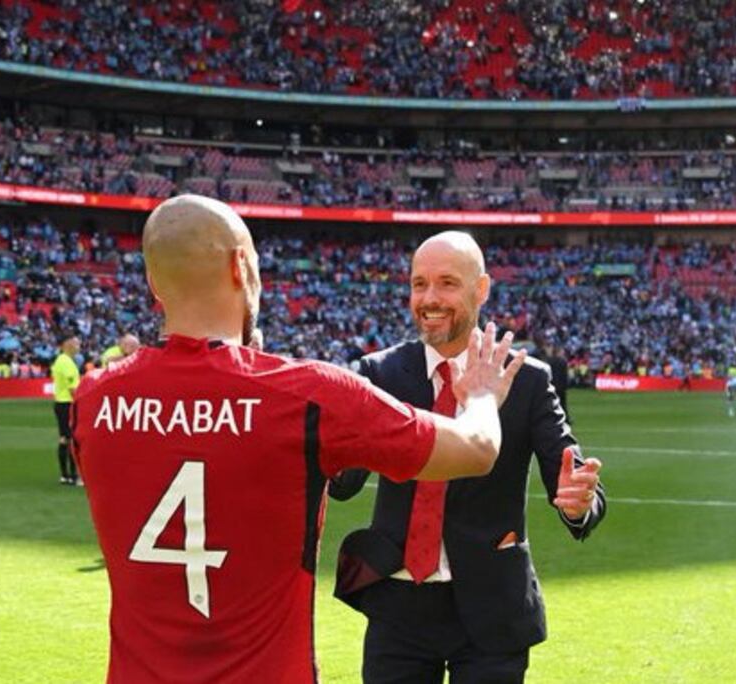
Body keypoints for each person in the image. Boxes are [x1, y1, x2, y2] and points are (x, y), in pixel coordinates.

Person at [69, 195, 527, 683]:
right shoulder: (310, 396)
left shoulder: (93, 398)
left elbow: (190, 433)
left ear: (152, 281)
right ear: (241, 266)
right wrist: (479, 395)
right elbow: (476, 449)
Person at [328, 231, 606, 684]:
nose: (429, 298)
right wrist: (331, 449)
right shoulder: (378, 373)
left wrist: (580, 502)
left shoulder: (526, 378)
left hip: (492, 606)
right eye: (419, 284)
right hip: (398, 608)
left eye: (446, 284)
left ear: (481, 290)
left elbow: (571, 480)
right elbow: (345, 483)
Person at [51, 333, 82, 486]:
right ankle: (72, 476)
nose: (79, 346)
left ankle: (66, 475)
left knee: (65, 438)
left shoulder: (62, 361)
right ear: (68, 344)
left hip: (61, 403)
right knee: (71, 439)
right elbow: (73, 390)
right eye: (76, 344)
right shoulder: (66, 363)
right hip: (67, 404)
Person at [539, 340, 571, 423]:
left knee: (551, 403)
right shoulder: (563, 361)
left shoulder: (549, 361)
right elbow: (565, 375)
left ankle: (552, 418)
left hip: (552, 384)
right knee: (563, 403)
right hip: (561, 386)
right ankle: (565, 419)